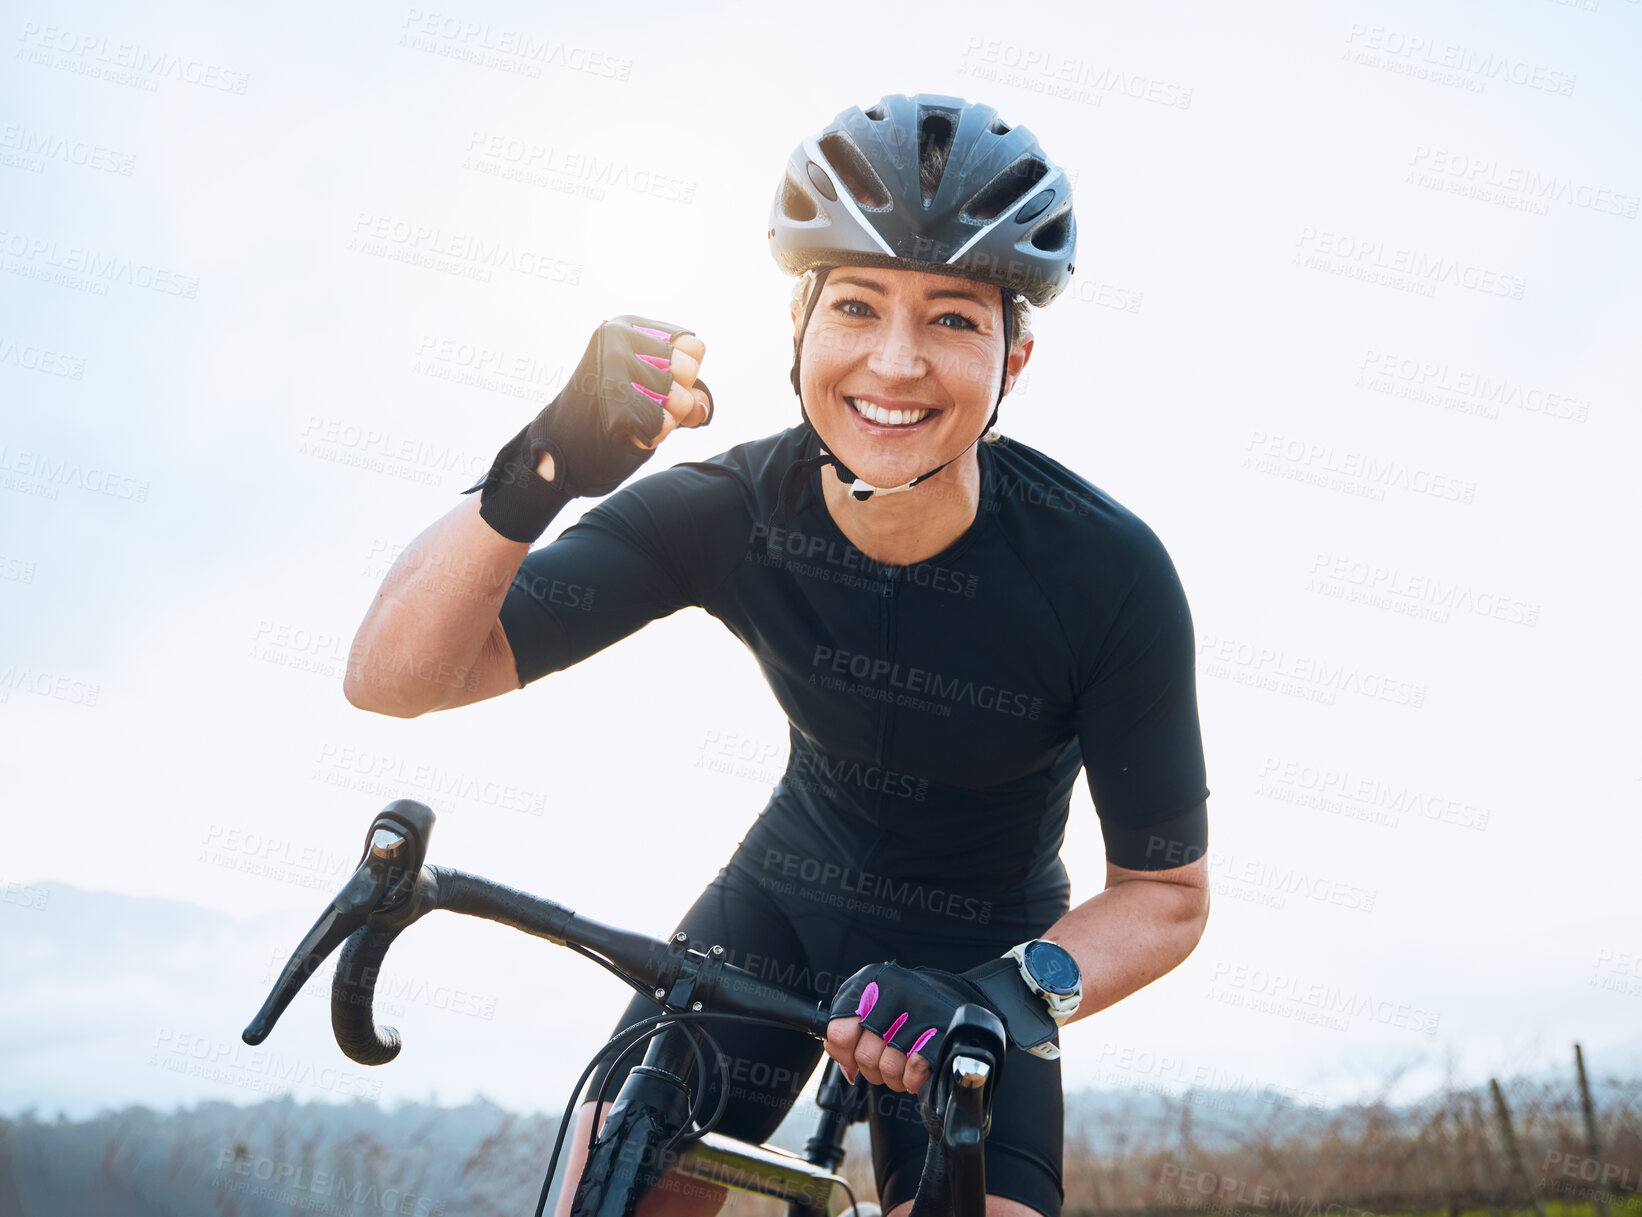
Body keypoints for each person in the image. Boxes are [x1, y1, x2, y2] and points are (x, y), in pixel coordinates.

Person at [345, 92, 1211, 1217]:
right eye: (856, 305)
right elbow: (394, 676)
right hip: (775, 909)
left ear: (1017, 356)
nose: (895, 364)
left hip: (980, 963)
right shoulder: (725, 509)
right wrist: (540, 470)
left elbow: (1166, 897)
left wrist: (1003, 994)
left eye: (953, 319)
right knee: (605, 1188)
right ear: (798, 323)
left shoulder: (1107, 569)